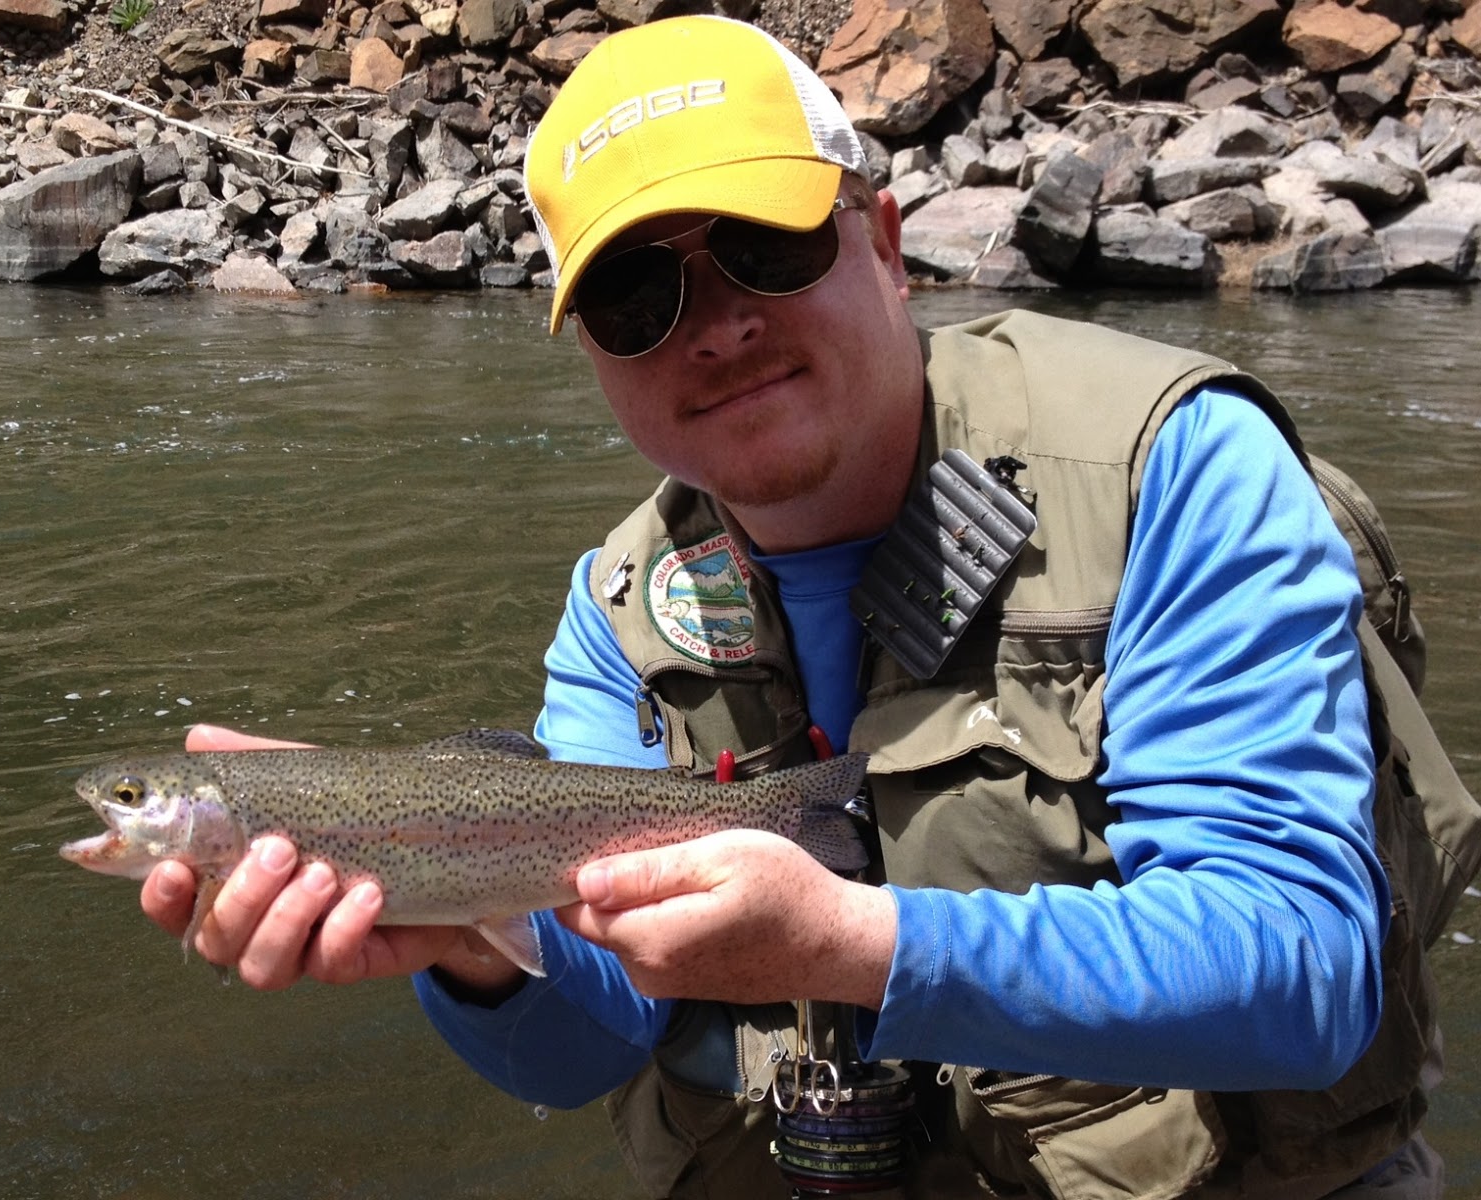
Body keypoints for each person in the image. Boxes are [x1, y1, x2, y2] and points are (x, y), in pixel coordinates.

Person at [141, 15, 1457, 1199]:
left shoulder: (1174, 468)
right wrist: (469, 948)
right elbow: (589, 1040)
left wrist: (853, 943)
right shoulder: (617, 613)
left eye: (764, 248)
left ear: (884, 247)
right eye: (635, 295)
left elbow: (1302, 970)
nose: (711, 329)